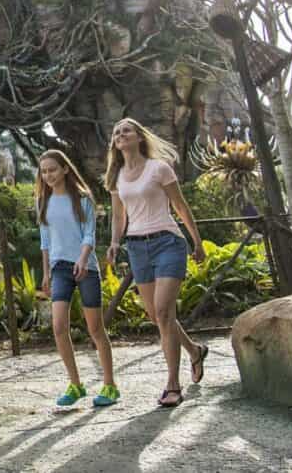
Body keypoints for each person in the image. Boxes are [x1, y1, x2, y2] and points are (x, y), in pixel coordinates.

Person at [104, 118, 208, 408]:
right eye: (116, 132)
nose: (120, 134)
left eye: (126, 129)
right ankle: (194, 350)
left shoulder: (158, 168)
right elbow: (118, 216)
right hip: (137, 248)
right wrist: (115, 242)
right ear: (115, 143)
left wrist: (197, 241)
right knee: (157, 317)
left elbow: (180, 205)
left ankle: (173, 384)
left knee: (164, 312)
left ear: (139, 136)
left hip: (167, 242)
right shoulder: (117, 177)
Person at [36, 150, 119, 408]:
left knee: (95, 329)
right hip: (59, 268)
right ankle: (75, 384)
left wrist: (83, 260)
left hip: (87, 269)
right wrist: (46, 273)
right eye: (44, 171)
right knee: (59, 326)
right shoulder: (43, 202)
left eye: (52, 169)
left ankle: (110, 385)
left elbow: (89, 235)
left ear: (65, 170)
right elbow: (45, 241)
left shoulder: (82, 199)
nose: (48, 175)